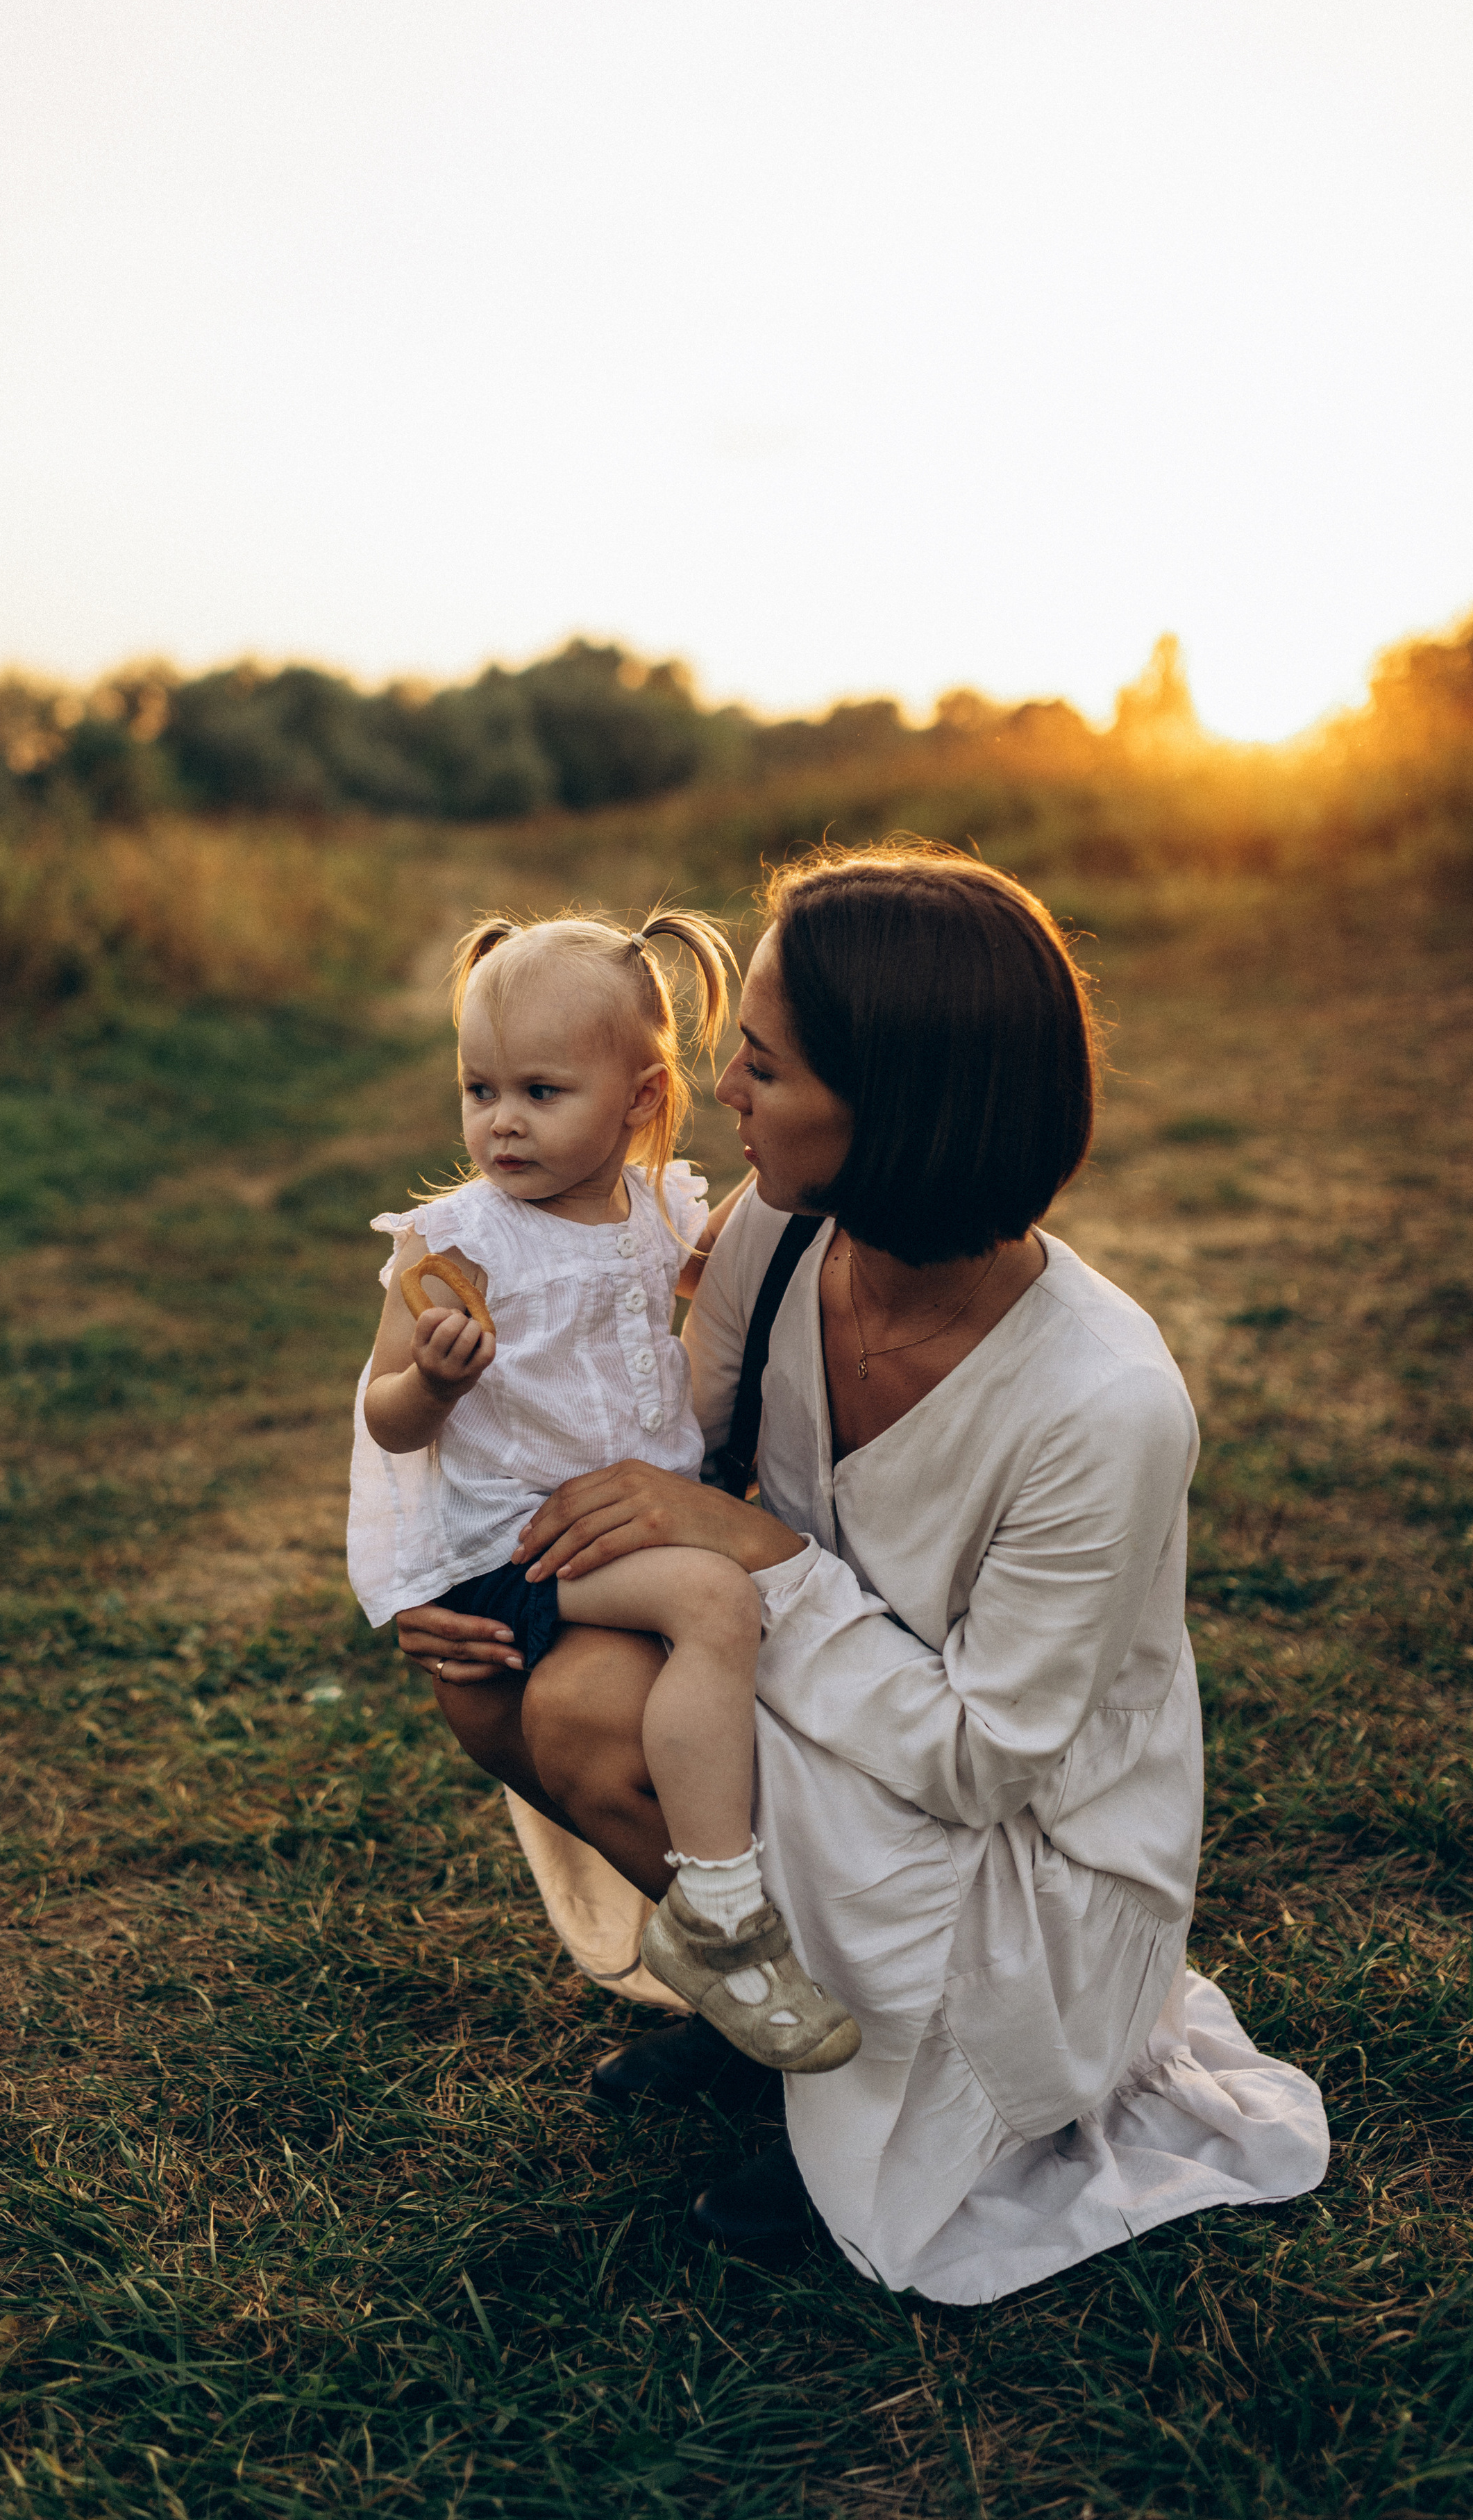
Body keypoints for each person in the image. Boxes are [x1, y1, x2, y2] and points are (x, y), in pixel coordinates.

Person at [397, 847, 1329, 2305]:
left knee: (599, 1718)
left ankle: (850, 2081)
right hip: (827, 1696)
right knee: (531, 1683)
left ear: (892, 1106)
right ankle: (756, 2001)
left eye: (760, 1070)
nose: (721, 1098)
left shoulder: (1101, 1404)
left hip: (1022, 1845)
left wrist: (760, 1555)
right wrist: (463, 1554)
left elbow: (981, 1757)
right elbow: (672, 1452)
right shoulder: (778, 1231)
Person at [348, 908, 860, 2074]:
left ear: (638, 1099)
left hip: (614, 1528)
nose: (501, 1121)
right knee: (718, 1602)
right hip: (519, 1550)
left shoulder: (653, 1209)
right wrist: (427, 1384)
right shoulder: (459, 1244)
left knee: (711, 1609)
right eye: (480, 1088)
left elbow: (721, 1263)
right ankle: (725, 1912)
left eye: (540, 1089)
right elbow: (382, 1410)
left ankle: (724, 1944)